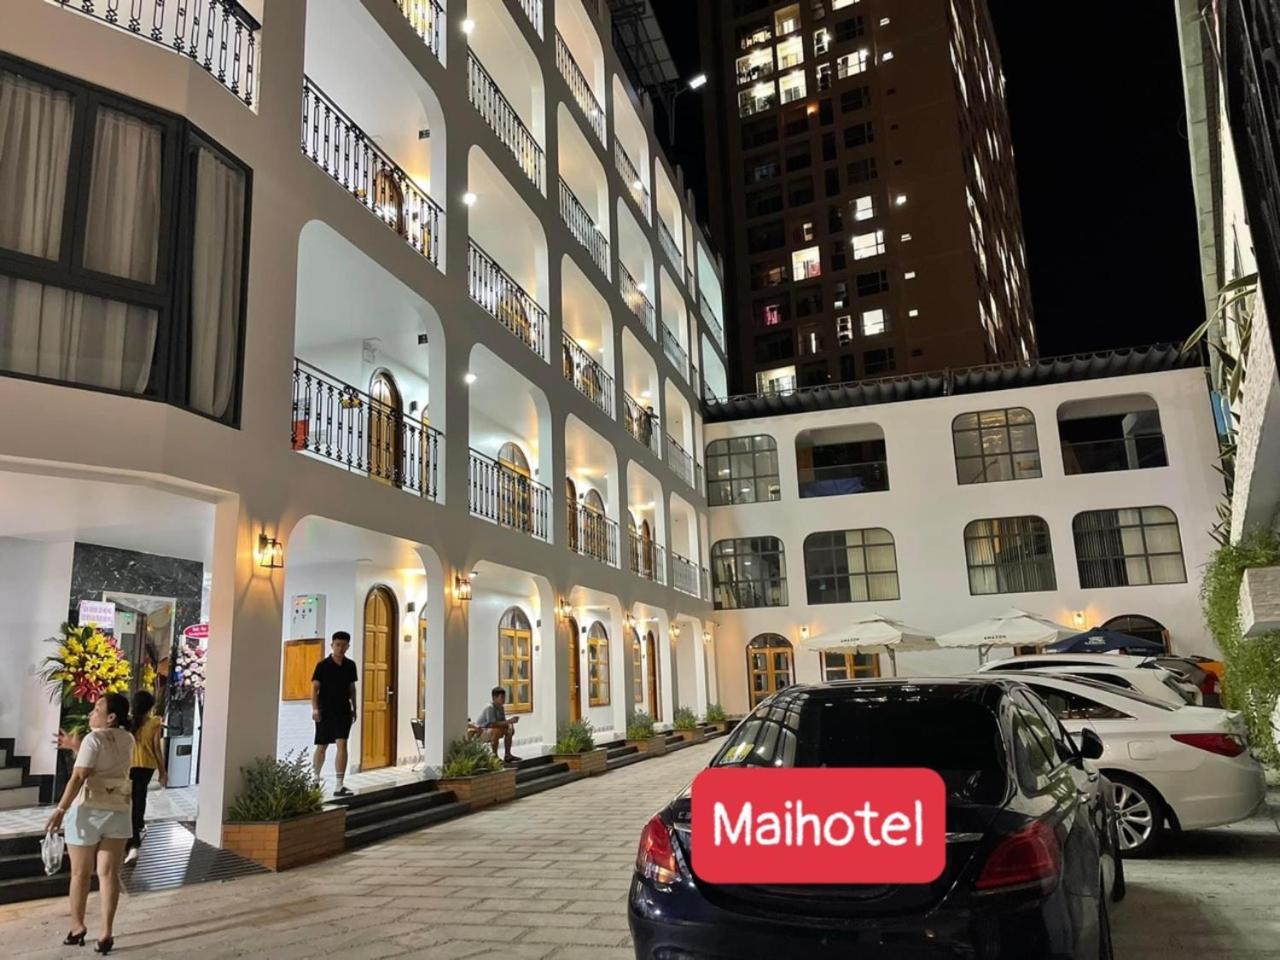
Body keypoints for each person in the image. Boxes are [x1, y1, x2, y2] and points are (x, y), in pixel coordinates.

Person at [45, 693, 136, 956]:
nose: (91, 713)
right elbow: (105, 767)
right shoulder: (127, 738)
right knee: (109, 874)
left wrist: (60, 810)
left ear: (111, 717)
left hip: (86, 812)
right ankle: (106, 932)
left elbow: (78, 778)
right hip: (118, 810)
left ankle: (77, 927)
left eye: (97, 709)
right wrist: (77, 747)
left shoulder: (93, 739)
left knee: (80, 874)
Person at [312, 631, 358, 797]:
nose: (340, 648)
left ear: (348, 646)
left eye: (344, 645)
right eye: (338, 645)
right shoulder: (322, 665)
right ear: (332, 645)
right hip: (325, 709)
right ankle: (315, 778)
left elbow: (352, 688)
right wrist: (315, 708)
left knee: (342, 744)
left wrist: (354, 707)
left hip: (343, 709)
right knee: (322, 745)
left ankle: (339, 784)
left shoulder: (350, 665)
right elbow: (315, 688)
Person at [124, 690, 166, 864]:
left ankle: (132, 833)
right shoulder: (155, 722)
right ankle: (137, 829)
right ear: (150, 707)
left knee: (129, 799)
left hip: (129, 765)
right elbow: (157, 748)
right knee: (140, 798)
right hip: (147, 766)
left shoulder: (128, 723)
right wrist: (163, 771)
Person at [476, 686, 521, 764]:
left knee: (509, 727)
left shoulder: (501, 707)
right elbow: (492, 724)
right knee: (495, 730)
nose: (504, 699)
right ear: (494, 698)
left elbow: (503, 722)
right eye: (502, 697)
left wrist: (510, 723)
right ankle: (495, 756)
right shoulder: (489, 707)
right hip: (482, 732)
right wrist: (509, 721)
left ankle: (508, 755)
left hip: (493, 729)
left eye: (504, 697)